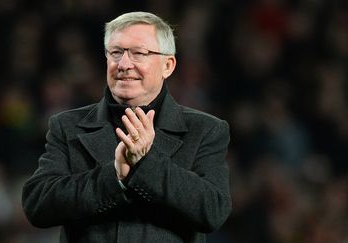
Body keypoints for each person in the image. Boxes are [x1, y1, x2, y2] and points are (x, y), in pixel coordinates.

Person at [22, 11, 232, 243]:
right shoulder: (67, 126)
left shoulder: (205, 129)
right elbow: (37, 204)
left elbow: (213, 211)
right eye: (116, 52)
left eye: (138, 53)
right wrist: (115, 177)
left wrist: (146, 163)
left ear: (168, 65)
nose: (123, 64)